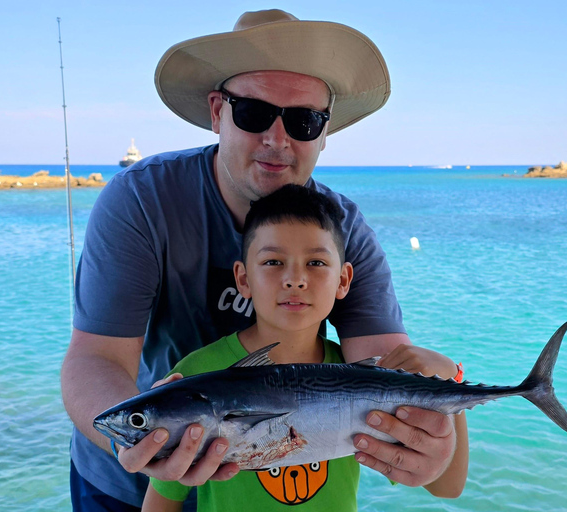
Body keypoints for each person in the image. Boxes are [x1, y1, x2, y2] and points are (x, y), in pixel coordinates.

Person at [61, 9, 469, 511]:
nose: (278, 140)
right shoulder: (140, 201)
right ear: (217, 111)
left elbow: (386, 370)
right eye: (253, 112)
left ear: (324, 131)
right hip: (128, 486)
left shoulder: (340, 232)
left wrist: (432, 442)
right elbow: (96, 358)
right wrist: (141, 447)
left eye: (303, 120)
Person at [141, 185, 466, 512]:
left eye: (315, 262)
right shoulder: (198, 375)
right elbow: (162, 499)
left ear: (343, 280)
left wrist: (449, 376)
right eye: (272, 261)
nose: (295, 279)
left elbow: (447, 487)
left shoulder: (364, 378)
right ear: (243, 279)